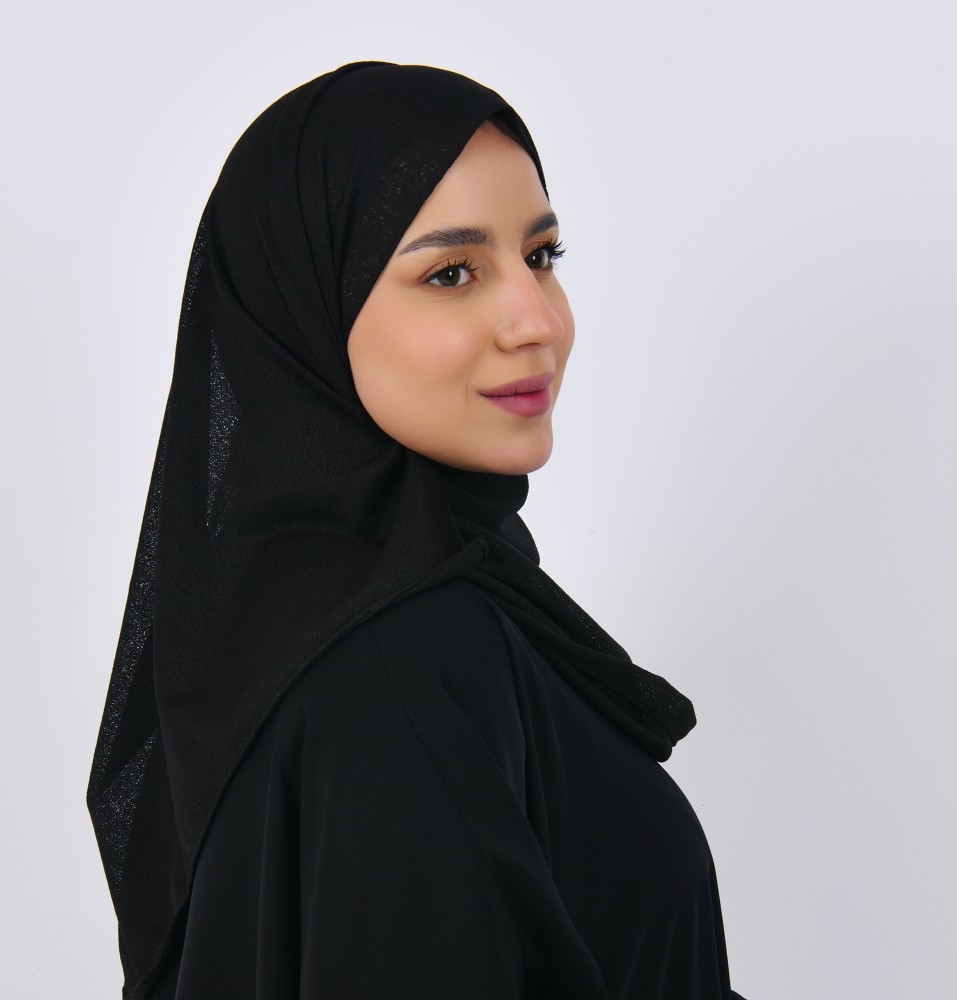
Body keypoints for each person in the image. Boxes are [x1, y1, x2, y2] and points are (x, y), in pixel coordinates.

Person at [87, 61, 746, 999]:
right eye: (451, 273)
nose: (535, 321)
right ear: (308, 310)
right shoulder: (404, 663)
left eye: (542, 256)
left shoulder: (308, 615)